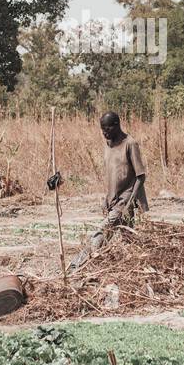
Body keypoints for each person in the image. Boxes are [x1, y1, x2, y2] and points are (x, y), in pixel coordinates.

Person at [67, 111, 147, 271]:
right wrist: (106, 198)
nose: (104, 133)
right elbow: (114, 175)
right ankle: (128, 268)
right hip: (113, 200)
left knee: (101, 232)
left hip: (125, 201)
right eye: (102, 129)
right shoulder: (108, 145)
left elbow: (140, 176)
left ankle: (77, 266)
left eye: (107, 129)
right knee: (127, 237)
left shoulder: (130, 144)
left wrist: (129, 203)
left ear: (117, 125)